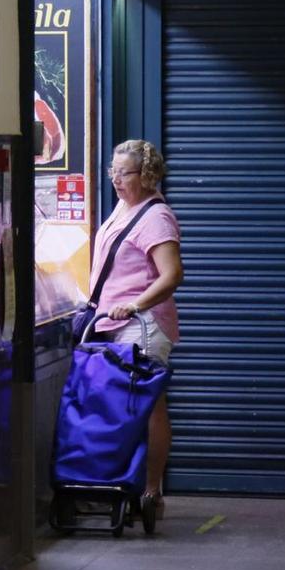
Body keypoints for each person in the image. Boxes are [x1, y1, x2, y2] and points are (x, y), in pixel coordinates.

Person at [91, 139, 183, 515]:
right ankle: (122, 483)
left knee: (149, 408)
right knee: (122, 409)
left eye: (123, 173)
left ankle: (151, 491)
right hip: (111, 324)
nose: (114, 178)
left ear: (145, 176)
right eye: (112, 170)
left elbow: (173, 274)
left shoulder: (155, 216)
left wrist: (134, 305)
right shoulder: (123, 206)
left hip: (142, 327)